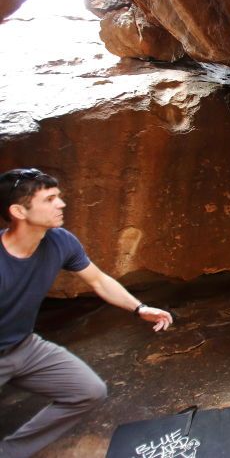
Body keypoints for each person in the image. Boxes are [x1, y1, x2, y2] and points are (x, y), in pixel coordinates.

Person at [0, 168, 173, 458]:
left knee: (88, 391)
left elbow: (98, 280)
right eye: (51, 199)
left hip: (25, 346)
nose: (61, 204)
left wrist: (139, 308)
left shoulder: (60, 241)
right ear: (19, 210)